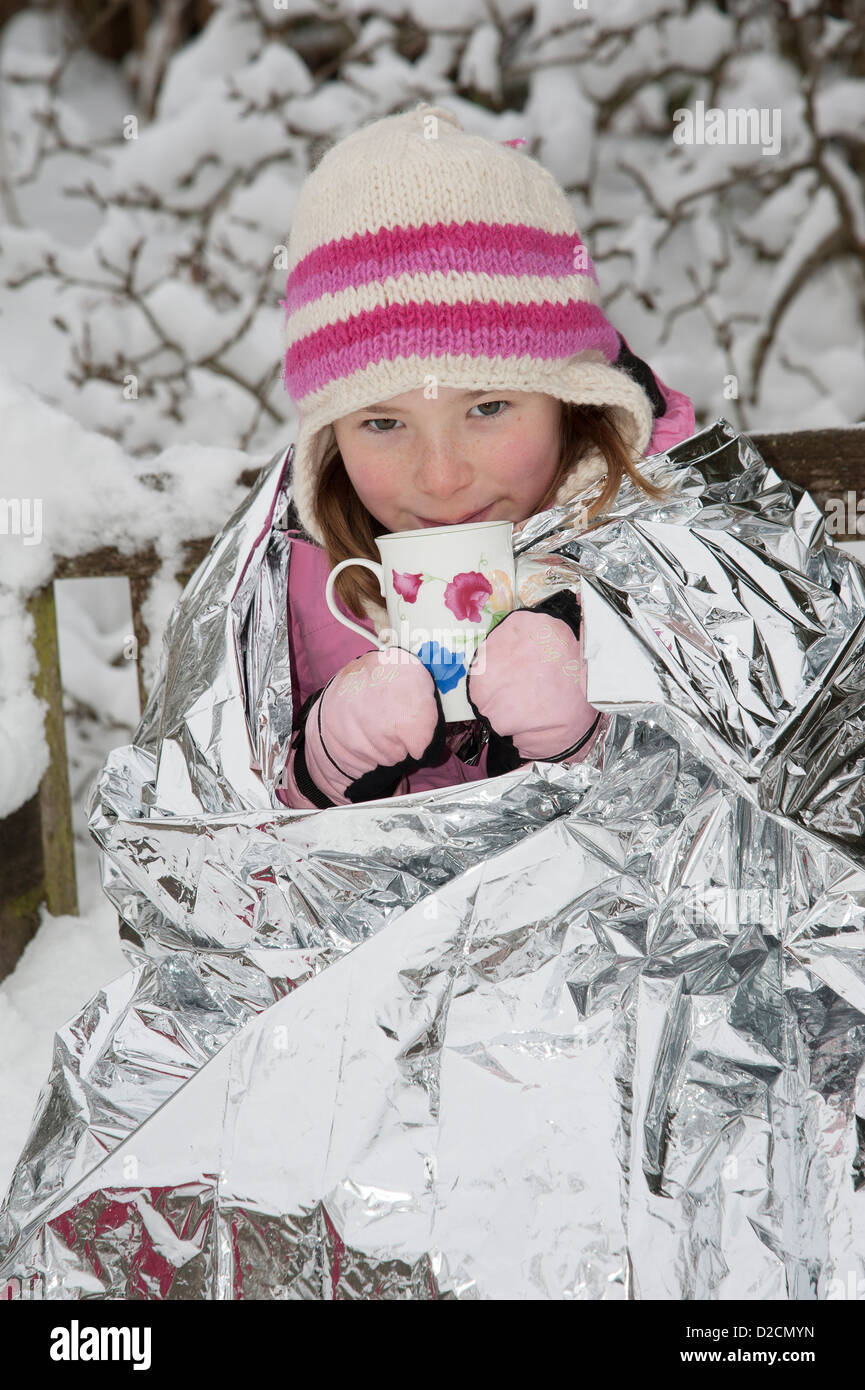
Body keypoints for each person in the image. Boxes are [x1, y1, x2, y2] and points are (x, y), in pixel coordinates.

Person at [275, 103, 695, 811]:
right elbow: (220, 884)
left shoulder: (676, 541)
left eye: (487, 408)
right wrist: (317, 771)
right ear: (329, 438)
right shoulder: (300, 585)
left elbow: (784, 824)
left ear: (569, 397)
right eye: (383, 422)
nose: (442, 478)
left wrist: (598, 742)